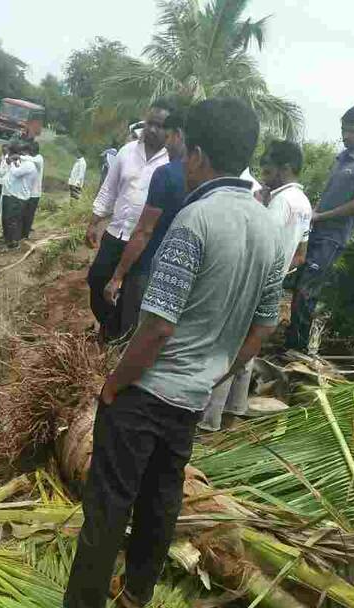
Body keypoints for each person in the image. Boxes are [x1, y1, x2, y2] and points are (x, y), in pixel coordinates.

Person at [28, 97, 284, 608]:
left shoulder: (194, 220)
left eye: (186, 149)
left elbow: (157, 327)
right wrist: (214, 374)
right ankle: (137, 591)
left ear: (199, 155)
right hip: (192, 396)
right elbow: (260, 330)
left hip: (148, 388)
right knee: (161, 495)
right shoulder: (268, 232)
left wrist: (113, 383)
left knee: (108, 500)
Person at [201, 139, 312, 431]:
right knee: (249, 347)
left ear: (285, 168)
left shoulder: (281, 202)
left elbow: (261, 243)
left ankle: (208, 420)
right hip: (273, 284)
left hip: (253, 282)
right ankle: (235, 409)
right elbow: (301, 255)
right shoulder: (305, 204)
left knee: (227, 347)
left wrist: (260, 207)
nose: (263, 174)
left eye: (268, 167)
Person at [287, 104, 354, 351]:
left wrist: (322, 216)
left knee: (307, 290)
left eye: (352, 131)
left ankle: (297, 350)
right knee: (297, 286)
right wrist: (312, 214)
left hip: (333, 237)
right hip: (316, 230)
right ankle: (291, 343)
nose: (346, 135)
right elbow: (328, 194)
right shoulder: (340, 158)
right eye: (343, 130)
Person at [85, 101, 172, 341]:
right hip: (116, 233)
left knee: (131, 293)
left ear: (170, 130)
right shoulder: (127, 151)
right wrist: (94, 222)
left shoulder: (171, 162)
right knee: (96, 279)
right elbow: (109, 190)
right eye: (150, 124)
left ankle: (117, 339)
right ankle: (108, 325)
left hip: (145, 242)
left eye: (160, 126)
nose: (153, 129)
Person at [103, 107, 187, 341]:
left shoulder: (167, 174)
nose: (166, 144)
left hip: (148, 266)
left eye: (168, 136)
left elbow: (144, 231)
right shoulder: (203, 180)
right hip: (178, 275)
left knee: (131, 332)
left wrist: (117, 277)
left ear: (178, 135)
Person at [1, 143, 35, 249]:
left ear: (25, 152)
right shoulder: (28, 163)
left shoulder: (29, 165)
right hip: (19, 195)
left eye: (22, 153)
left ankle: (13, 243)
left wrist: (11, 163)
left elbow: (15, 173)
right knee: (13, 220)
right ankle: (12, 242)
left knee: (13, 220)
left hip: (20, 196)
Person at [22, 141, 44, 239]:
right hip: (28, 192)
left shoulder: (39, 158)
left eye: (30, 150)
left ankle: (25, 235)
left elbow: (31, 159)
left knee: (29, 214)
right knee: (24, 214)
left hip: (35, 193)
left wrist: (19, 156)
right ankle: (23, 232)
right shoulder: (31, 159)